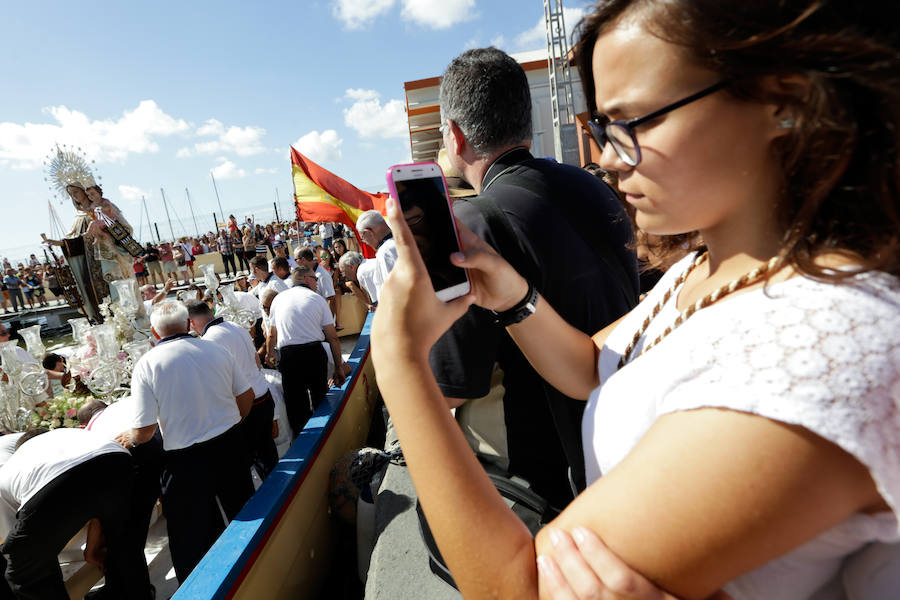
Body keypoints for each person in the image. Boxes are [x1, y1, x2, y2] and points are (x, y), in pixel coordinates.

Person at [370, 2, 900, 599]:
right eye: (601, 127)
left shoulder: (819, 349)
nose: (604, 156)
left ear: (783, 100)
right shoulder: (710, 271)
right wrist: (511, 292)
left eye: (636, 121)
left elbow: (517, 587)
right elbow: (590, 367)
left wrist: (398, 362)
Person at [115, 301, 255, 584]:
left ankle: (204, 585)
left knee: (190, 536)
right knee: (245, 513)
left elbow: (144, 431)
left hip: (186, 461)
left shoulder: (148, 364)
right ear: (189, 324)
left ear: (154, 332)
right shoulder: (216, 349)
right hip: (229, 445)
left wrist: (128, 438)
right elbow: (246, 397)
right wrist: (229, 425)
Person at [0, 428, 150, 599]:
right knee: (122, 542)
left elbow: (24, 546)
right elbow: (97, 505)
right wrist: (91, 548)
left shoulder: (10, 468)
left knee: (23, 572)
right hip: (118, 461)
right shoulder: (64, 435)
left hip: (58, 480)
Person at [77, 398, 163, 600]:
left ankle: (137, 593)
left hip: (132, 457)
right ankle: (122, 588)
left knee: (126, 539)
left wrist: (91, 547)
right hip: (163, 439)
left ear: (83, 424)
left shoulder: (90, 433)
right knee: (129, 535)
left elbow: (99, 497)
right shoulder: (121, 405)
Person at [186, 299, 278, 479]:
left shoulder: (208, 340)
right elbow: (256, 362)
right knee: (268, 454)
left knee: (256, 461)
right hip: (264, 395)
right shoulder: (236, 326)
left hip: (246, 403)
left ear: (192, 322)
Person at [265, 266, 348, 434]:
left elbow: (271, 335)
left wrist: (269, 354)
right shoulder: (317, 299)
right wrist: (339, 366)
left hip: (288, 356)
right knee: (320, 400)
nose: (317, 282)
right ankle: (327, 436)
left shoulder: (278, 299)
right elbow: (332, 337)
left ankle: (302, 439)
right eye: (315, 279)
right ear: (306, 279)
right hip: (313, 354)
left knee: (296, 407)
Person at [355, 210, 397, 297]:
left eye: (362, 237)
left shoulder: (386, 251)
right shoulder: (402, 240)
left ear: (369, 233)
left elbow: (393, 291)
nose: (364, 242)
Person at [296, 249, 338, 327]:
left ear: (303, 260)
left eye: (296, 260)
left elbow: (331, 299)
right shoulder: (307, 273)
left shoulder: (322, 275)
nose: (295, 262)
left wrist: (329, 324)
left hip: (323, 325)